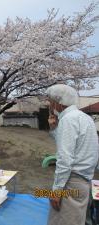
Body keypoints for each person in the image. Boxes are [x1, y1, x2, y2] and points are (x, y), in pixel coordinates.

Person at [46, 84, 99, 225]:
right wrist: (53, 127)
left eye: (50, 101)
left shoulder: (68, 120)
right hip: (84, 180)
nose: (50, 105)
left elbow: (65, 158)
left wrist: (56, 190)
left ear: (58, 102)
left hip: (71, 182)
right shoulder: (85, 118)